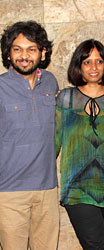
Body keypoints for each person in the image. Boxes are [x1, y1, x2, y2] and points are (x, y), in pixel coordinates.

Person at [55, 39, 104, 250]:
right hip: (77, 190)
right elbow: (53, 143)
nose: (93, 67)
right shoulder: (66, 99)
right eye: (87, 62)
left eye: (99, 61)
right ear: (78, 65)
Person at [0, 21, 59, 250]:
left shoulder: (51, 81)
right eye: (17, 49)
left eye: (31, 49)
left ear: (42, 53)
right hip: (8, 193)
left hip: (47, 190)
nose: (24, 55)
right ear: (8, 54)